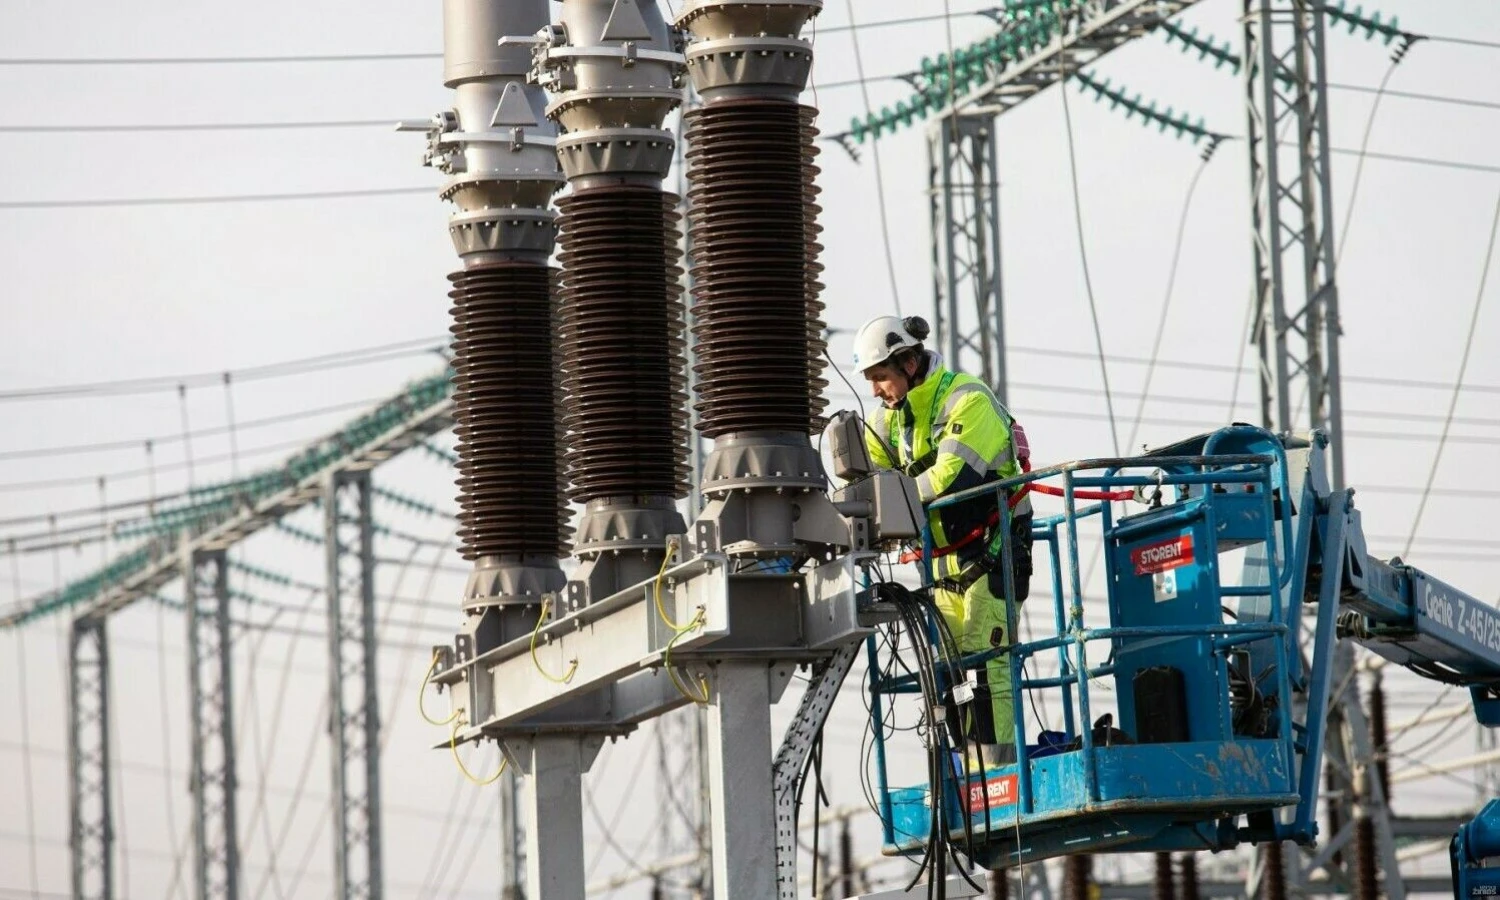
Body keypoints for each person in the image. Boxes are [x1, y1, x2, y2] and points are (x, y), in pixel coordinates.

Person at [853, 313, 1034, 766]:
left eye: (880, 378)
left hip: (991, 553)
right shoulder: (890, 420)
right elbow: (870, 479)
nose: (875, 390)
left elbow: (951, 479)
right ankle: (967, 776)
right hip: (940, 566)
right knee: (949, 673)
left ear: (909, 363)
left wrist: (889, 504)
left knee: (987, 661)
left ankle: (1001, 777)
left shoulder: (966, 401)